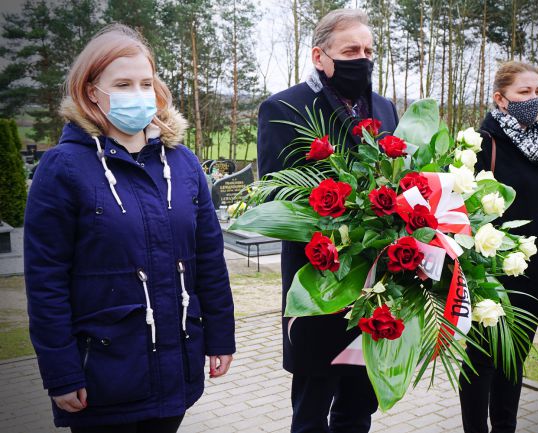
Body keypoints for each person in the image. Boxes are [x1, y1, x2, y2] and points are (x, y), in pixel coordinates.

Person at [23, 24, 235, 432]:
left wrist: (221, 336)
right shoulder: (64, 168)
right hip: (103, 374)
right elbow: (46, 280)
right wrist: (60, 371)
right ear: (91, 91)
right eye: (122, 83)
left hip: (176, 365)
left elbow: (209, 259)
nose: (138, 94)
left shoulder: (184, 164)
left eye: (145, 82)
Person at [256, 8, 399, 433]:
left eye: (369, 50)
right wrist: (350, 218)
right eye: (351, 49)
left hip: (376, 284)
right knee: (312, 407)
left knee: (359, 406)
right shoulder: (283, 106)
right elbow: (278, 194)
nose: (363, 57)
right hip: (318, 279)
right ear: (320, 56)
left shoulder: (386, 108)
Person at [459, 61, 538, 433]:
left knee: (514, 359)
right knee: (483, 359)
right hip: (490, 272)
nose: (533, 99)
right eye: (524, 92)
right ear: (500, 99)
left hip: (532, 271)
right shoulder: (482, 143)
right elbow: (462, 213)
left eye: (537, 92)